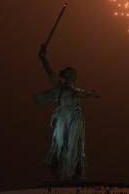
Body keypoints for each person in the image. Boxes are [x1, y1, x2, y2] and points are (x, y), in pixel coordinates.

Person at [33, 44, 99, 181]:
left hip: (75, 118)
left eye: (74, 74)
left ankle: (69, 173)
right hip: (63, 118)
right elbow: (50, 72)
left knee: (73, 146)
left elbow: (83, 94)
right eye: (71, 73)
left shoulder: (76, 90)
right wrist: (43, 58)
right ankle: (62, 173)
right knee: (60, 144)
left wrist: (91, 95)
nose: (74, 75)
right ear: (67, 75)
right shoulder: (60, 86)